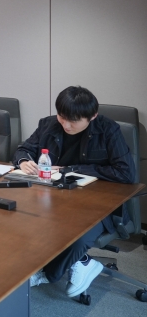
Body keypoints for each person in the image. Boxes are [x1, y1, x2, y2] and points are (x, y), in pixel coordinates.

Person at [21, 86, 135, 297]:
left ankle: (49, 274)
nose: (66, 125)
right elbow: (24, 149)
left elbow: (126, 173)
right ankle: (81, 261)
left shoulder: (108, 130)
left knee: (77, 239)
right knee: (20, 217)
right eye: (62, 117)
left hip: (99, 204)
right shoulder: (48, 124)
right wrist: (23, 160)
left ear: (93, 116)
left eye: (73, 120)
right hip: (56, 198)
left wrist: (71, 169)